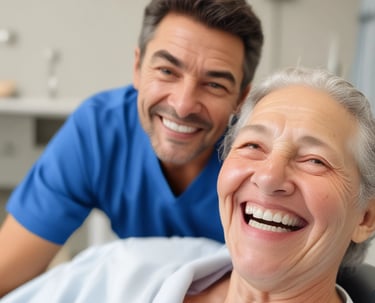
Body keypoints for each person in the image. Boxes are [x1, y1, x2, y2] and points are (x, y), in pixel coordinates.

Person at [1, 66, 375, 303]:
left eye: (314, 160)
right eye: (252, 146)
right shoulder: (120, 270)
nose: (269, 176)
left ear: (366, 216)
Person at [0, 0, 264, 297]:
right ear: (138, 67)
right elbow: (6, 275)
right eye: (167, 71)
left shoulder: (263, 164)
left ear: (242, 98)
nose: (183, 104)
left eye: (214, 85)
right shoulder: (100, 130)